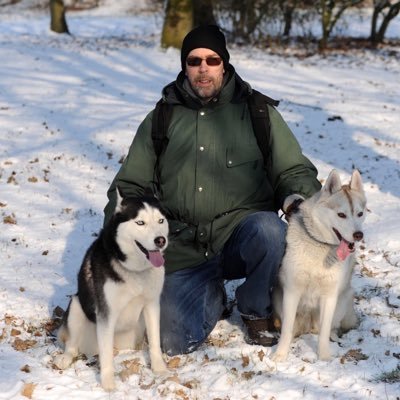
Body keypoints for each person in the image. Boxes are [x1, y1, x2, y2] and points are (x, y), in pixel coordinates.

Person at [104, 25, 321, 355]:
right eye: (194, 61)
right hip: (183, 248)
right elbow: (129, 185)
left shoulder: (257, 112)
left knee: (269, 230)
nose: (203, 68)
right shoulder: (161, 118)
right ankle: (213, 296)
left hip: (240, 236)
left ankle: (254, 306)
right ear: (184, 66)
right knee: (172, 342)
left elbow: (292, 169)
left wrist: (297, 202)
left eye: (212, 59)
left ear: (225, 64)